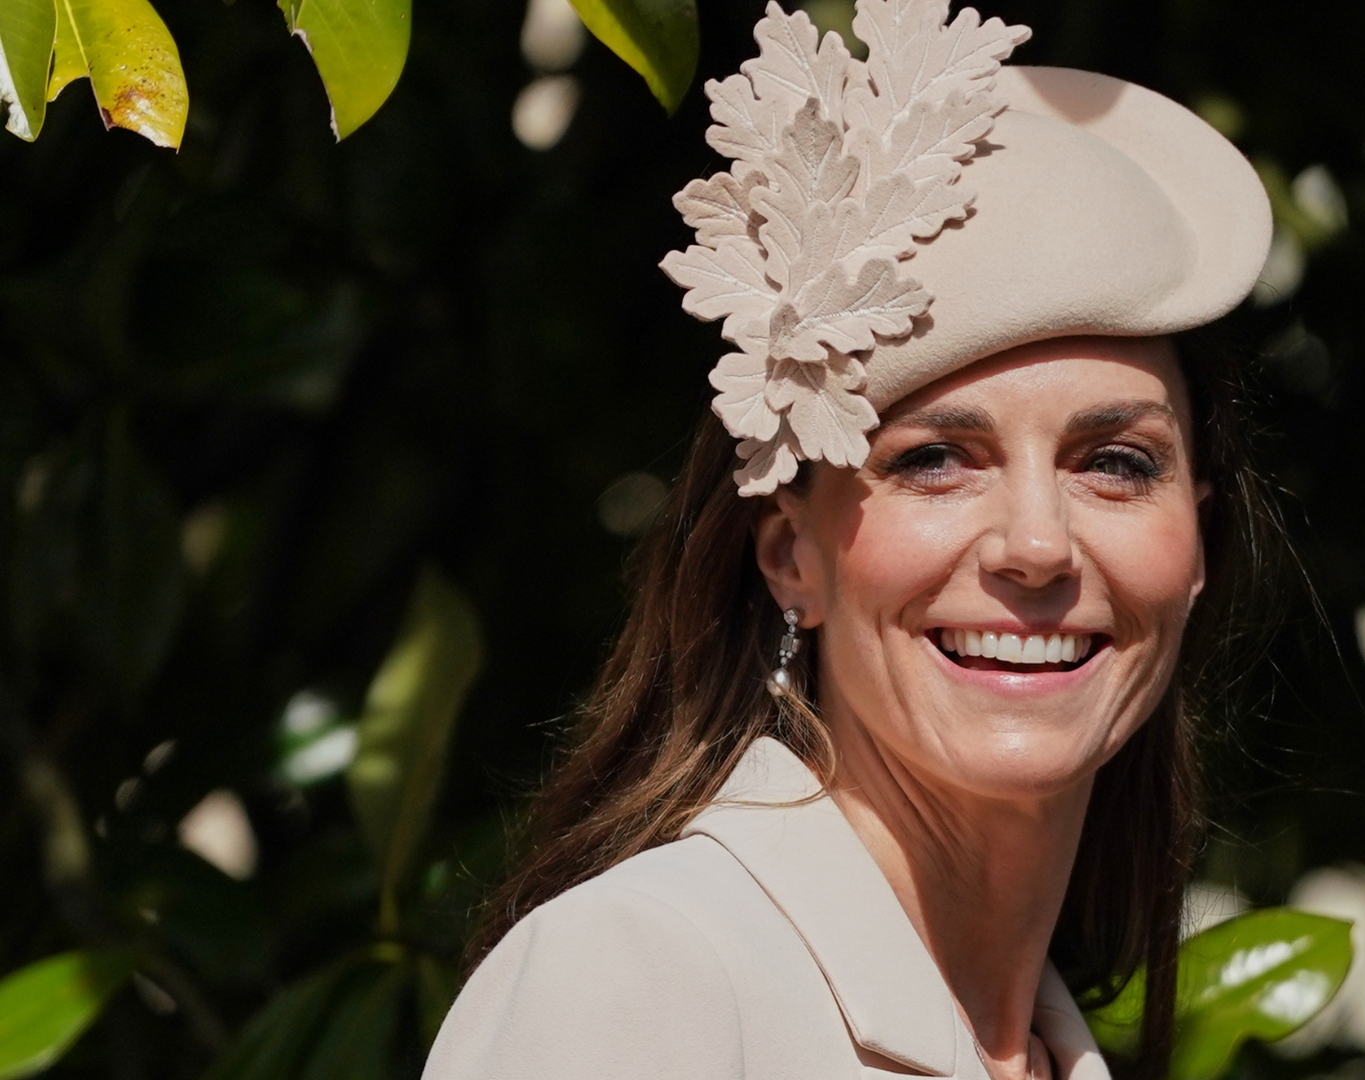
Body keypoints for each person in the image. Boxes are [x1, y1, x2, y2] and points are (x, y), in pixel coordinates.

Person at [423, 1, 1275, 1077]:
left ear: (1195, 545)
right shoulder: (641, 979)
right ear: (789, 556)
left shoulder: (1046, 1049)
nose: (1038, 546)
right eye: (933, 460)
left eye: (1115, 464)